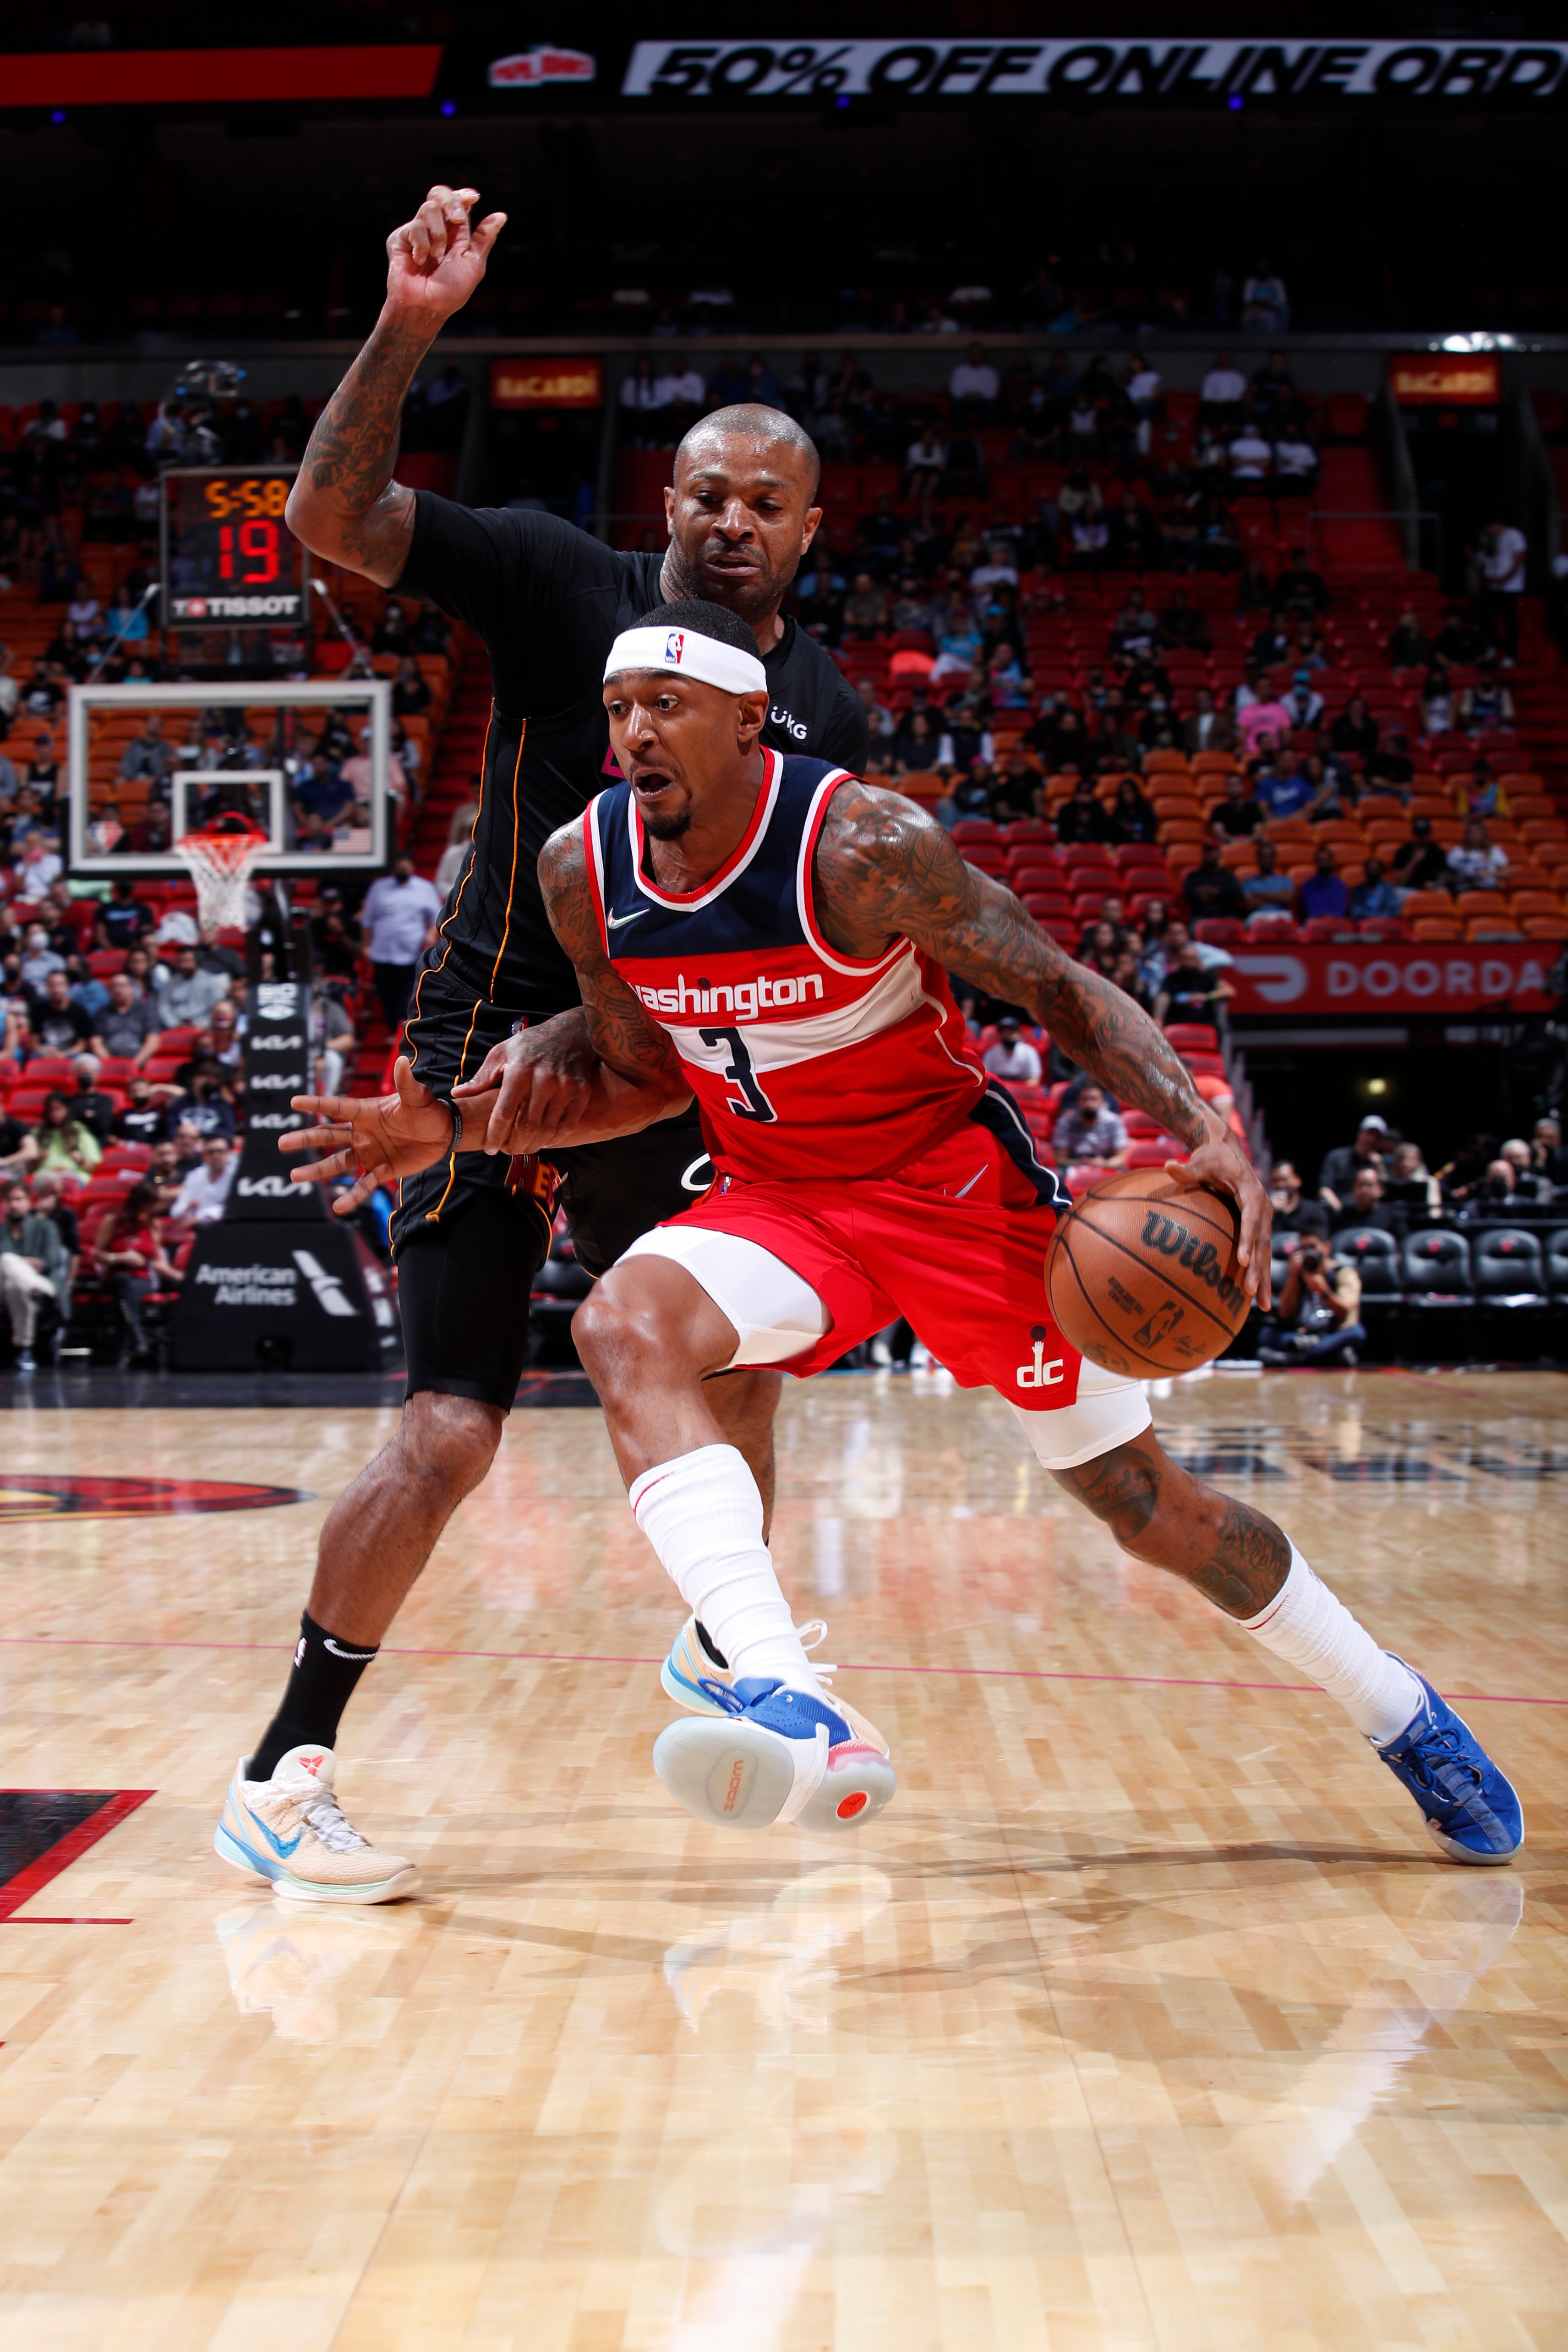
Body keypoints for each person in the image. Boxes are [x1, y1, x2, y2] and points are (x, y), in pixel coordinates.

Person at [280, 595, 1520, 1877]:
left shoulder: (859, 843)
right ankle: (772, 1683)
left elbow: (1051, 985)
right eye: (616, 709)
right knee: (622, 1324)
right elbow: (642, 1074)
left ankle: (1396, 1708)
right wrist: (458, 1134)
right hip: (778, 1196)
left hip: (951, 1194)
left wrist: (1197, 1121)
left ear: (746, 717)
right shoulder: (579, 868)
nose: (633, 733)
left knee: (1145, 1504)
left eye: (666, 706)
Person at [209, 185, 872, 1893]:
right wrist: (410, 326)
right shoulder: (557, 577)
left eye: (765, 500)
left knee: (744, 1358)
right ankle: (285, 1767)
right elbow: (328, 510)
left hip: (674, 1063)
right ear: (673, 505)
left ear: (809, 527)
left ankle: (737, 1641)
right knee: (449, 1428)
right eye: (707, 491)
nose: (731, 518)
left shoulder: (832, 714)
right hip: (496, 1051)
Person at [93, 1177, 178, 1364]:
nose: (153, 1210)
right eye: (149, 1205)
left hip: (143, 1278)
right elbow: (98, 1255)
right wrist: (121, 1257)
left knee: (128, 1292)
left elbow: (156, 1260)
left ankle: (129, 1345)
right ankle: (138, 1340)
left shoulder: (153, 1226)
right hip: (115, 1276)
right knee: (124, 1283)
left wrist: (175, 1275)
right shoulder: (114, 1221)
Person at [358, 855, 443, 1034]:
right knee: (386, 993)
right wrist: (366, 946)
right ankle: (392, 1029)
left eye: (405, 868)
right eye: (399, 868)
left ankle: (405, 1030)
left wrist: (429, 935)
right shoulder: (379, 888)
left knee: (407, 994)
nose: (402, 871)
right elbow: (367, 921)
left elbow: (437, 916)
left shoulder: (424, 888)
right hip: (383, 952)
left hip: (411, 952)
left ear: (412, 868)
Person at [1258, 1234, 1366, 1368]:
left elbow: (1345, 1311)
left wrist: (1324, 1290)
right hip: (1300, 1336)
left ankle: (1292, 1359)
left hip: (1330, 1334)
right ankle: (1326, 1355)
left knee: (1356, 1333)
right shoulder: (1296, 1273)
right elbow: (1285, 1314)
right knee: (1266, 1334)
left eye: (1312, 1247)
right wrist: (1293, 1277)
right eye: (1303, 1249)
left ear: (1327, 1248)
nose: (1308, 1253)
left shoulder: (1343, 1273)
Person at [0, 1177, 67, 1372]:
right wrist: (24, 1264)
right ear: (3, 1204)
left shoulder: (46, 1227)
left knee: (6, 1260)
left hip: (44, 1284)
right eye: (9, 1200)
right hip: (9, 1289)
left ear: (29, 1201)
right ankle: (25, 1349)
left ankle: (24, 1349)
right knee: (15, 1286)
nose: (14, 1205)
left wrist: (19, 1264)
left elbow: (50, 1261)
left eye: (19, 1199)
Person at [1475, 519, 1526, 663]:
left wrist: (1506, 577)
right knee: (1485, 616)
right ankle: (1496, 645)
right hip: (1493, 585)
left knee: (1510, 621)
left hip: (1510, 586)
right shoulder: (1492, 539)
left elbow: (1520, 557)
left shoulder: (1514, 535)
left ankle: (1511, 654)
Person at [1153, 940, 1234, 1028]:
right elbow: (1164, 996)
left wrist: (1207, 996)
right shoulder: (1172, 979)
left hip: (1204, 1024)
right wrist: (1158, 1018)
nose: (1188, 962)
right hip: (1177, 1024)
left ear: (1197, 960)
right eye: (1184, 958)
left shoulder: (1207, 976)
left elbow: (1229, 992)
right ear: (1178, 960)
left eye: (1191, 959)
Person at [92, 968, 163, 1067]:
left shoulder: (146, 1010)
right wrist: (110, 1063)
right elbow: (96, 1042)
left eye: (122, 986)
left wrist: (134, 1064)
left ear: (131, 987)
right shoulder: (102, 1013)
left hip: (139, 1063)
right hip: (109, 1062)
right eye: (114, 986)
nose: (118, 990)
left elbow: (153, 1041)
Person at [1318, 1115, 1389, 1209]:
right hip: (1340, 1211)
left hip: (1368, 1215)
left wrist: (1380, 1166)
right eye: (1370, 1133)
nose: (1373, 1139)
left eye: (1378, 1137)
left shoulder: (1379, 1163)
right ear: (1360, 1133)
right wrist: (1340, 1211)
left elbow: (1384, 1191)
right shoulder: (1337, 1157)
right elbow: (1325, 1189)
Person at [168, 1132, 236, 1230]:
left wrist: (199, 1217)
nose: (216, 1156)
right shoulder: (195, 1176)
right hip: (197, 1232)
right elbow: (175, 1212)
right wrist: (188, 1207)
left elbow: (234, 1208)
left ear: (228, 1153)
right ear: (204, 1156)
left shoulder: (237, 1176)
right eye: (211, 1152)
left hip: (228, 1230)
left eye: (220, 1151)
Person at [1050, 1081, 1128, 1167]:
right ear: (1078, 1102)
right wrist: (1079, 1163)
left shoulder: (1114, 1122)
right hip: (1074, 1165)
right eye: (1085, 1099)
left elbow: (1121, 1157)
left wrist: (1104, 1164)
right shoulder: (1065, 1123)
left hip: (1106, 1164)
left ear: (1102, 1101)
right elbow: (1060, 1159)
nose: (1089, 1104)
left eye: (1094, 1099)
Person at [33, 1089, 103, 1181]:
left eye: (59, 1109)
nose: (55, 1114)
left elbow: (93, 1168)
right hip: (45, 1178)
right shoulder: (38, 1133)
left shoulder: (80, 1131)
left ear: (67, 1109)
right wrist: (38, 1160)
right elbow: (27, 1169)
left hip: (73, 1177)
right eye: (51, 1109)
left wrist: (81, 1161)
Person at [1182, 839, 1246, 924]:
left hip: (1226, 916)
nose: (1210, 854)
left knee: (1238, 926)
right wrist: (1219, 893)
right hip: (1201, 917)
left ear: (1219, 853)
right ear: (1203, 853)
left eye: (1213, 851)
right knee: (1194, 927)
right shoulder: (1194, 876)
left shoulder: (1228, 876)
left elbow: (1235, 894)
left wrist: (1210, 892)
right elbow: (1189, 895)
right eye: (1208, 851)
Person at [1330, 1164, 1400, 1238]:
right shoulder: (1342, 1217)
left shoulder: (1392, 1216)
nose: (1365, 1190)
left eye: (1370, 1185)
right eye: (1361, 1185)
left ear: (1380, 1189)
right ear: (1354, 1188)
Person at [1389, 815, 1449, 897]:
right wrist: (1414, 861)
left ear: (1429, 835)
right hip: (1409, 889)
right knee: (1397, 893)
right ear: (1414, 834)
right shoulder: (1403, 852)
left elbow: (1443, 876)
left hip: (1432, 888)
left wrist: (1435, 884)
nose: (1421, 838)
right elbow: (1399, 882)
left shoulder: (1437, 852)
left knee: (1444, 893)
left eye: (1424, 835)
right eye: (1418, 834)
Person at [1448, 817, 1508, 893]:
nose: (1476, 836)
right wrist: (1461, 878)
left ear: (1484, 834)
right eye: (1473, 833)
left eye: (1478, 833)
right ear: (1467, 835)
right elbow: (1447, 875)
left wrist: (1488, 873)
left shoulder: (1495, 851)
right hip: (1465, 890)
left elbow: (1507, 873)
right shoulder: (1458, 852)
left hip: (1489, 889)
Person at [1241, 839, 1295, 921]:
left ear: (1274, 858)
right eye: (1264, 857)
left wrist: (1261, 895)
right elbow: (1250, 904)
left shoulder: (1285, 880)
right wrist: (1277, 896)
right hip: (1258, 915)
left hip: (1281, 914)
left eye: (1270, 857)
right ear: (1258, 858)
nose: (1267, 860)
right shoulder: (1248, 882)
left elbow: (1287, 898)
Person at [981, 1016, 1042, 1088]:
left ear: (1019, 1035)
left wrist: (1017, 1090)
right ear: (1000, 1035)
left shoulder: (1029, 1052)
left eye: (1011, 1033)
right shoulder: (991, 1053)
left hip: (1021, 1091)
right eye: (1005, 1033)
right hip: (999, 1091)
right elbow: (985, 1078)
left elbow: (1035, 1079)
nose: (1008, 1036)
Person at [1296, 843, 1350, 924]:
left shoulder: (1340, 885)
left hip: (1336, 922)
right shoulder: (1308, 885)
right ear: (1316, 862)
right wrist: (1322, 917)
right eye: (1321, 861)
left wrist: (1330, 918)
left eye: (1326, 860)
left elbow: (1341, 910)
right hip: (1315, 922)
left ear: (1332, 861)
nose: (1324, 864)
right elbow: (1309, 909)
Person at [1209, 772, 1265, 840]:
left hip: (1251, 844)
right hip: (1227, 846)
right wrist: (1233, 840)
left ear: (1243, 787)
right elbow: (1219, 831)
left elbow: (1259, 830)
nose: (1234, 788)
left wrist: (1248, 841)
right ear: (1226, 788)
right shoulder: (1219, 811)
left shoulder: (1253, 809)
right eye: (1231, 785)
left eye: (1236, 784)